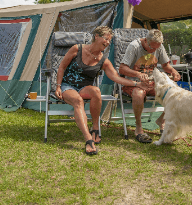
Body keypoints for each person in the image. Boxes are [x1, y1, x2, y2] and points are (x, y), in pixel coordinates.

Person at [55, 26, 149, 155]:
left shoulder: (103, 60)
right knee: (78, 101)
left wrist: (137, 83)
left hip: (84, 88)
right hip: (67, 86)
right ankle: (88, 139)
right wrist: (58, 86)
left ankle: (95, 127)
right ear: (96, 36)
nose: (108, 42)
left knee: (96, 91)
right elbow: (62, 67)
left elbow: (116, 77)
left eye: (110, 40)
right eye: (106, 38)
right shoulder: (77, 49)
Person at [119, 29, 181, 143]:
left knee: (176, 93)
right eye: (152, 47)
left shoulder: (158, 47)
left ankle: (162, 120)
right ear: (146, 41)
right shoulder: (134, 46)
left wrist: (173, 71)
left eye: (157, 48)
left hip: (152, 83)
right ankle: (138, 128)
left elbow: (166, 66)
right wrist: (138, 74)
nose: (154, 50)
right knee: (138, 94)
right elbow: (122, 68)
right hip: (133, 82)